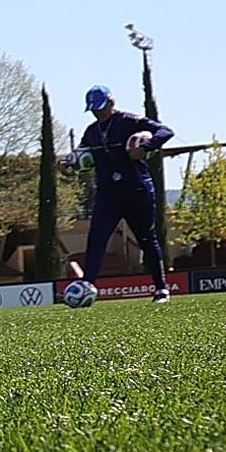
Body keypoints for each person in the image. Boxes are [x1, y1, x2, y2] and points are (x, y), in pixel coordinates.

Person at [76, 85, 173, 301]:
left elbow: (166, 131)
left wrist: (146, 147)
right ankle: (88, 285)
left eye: (100, 108)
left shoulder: (130, 121)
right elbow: (81, 154)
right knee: (96, 239)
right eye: (93, 109)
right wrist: (69, 162)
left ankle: (161, 288)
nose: (97, 113)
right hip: (107, 193)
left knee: (147, 238)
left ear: (111, 102)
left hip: (136, 189)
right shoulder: (91, 131)